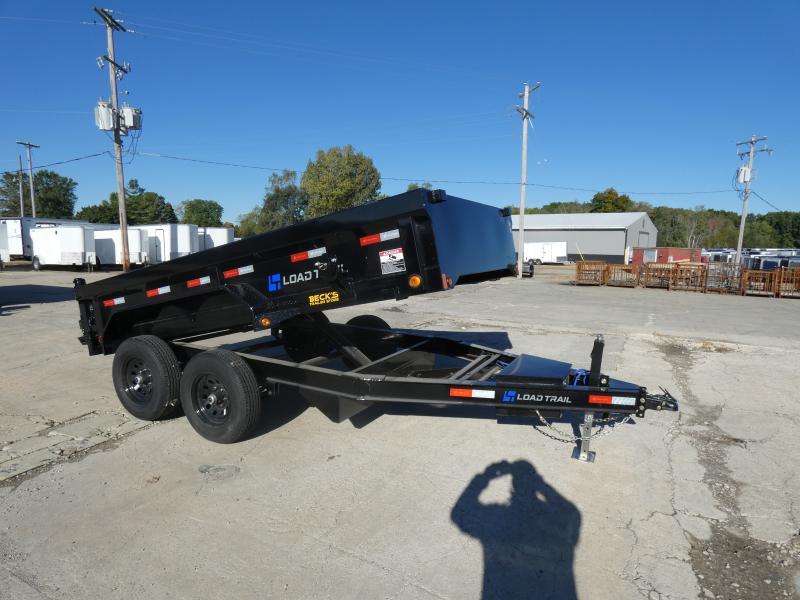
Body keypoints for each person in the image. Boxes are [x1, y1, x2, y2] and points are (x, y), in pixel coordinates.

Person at [451, 460, 581, 599]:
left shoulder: (496, 519)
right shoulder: (557, 519)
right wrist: (541, 485)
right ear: (534, 484)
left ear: (512, 487)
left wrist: (486, 476)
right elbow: (571, 512)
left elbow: (459, 514)